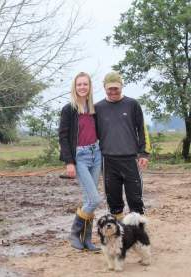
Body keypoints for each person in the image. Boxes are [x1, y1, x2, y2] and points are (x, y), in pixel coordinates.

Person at [95, 71, 150, 220]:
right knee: (114, 201)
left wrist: (144, 153)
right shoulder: (98, 108)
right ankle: (119, 234)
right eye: (110, 88)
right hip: (108, 161)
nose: (113, 91)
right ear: (104, 88)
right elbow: (92, 135)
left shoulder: (132, 104)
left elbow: (142, 130)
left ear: (121, 87)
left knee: (135, 200)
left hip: (131, 159)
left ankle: (138, 234)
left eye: (116, 88)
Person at [59, 72, 102, 251]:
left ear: (90, 87)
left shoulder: (95, 109)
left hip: (97, 154)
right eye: (79, 84)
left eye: (85, 84)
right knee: (94, 200)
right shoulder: (69, 109)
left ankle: (87, 239)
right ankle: (75, 233)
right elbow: (63, 136)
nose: (82, 87)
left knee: (87, 200)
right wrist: (69, 162)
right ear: (75, 87)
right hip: (80, 156)